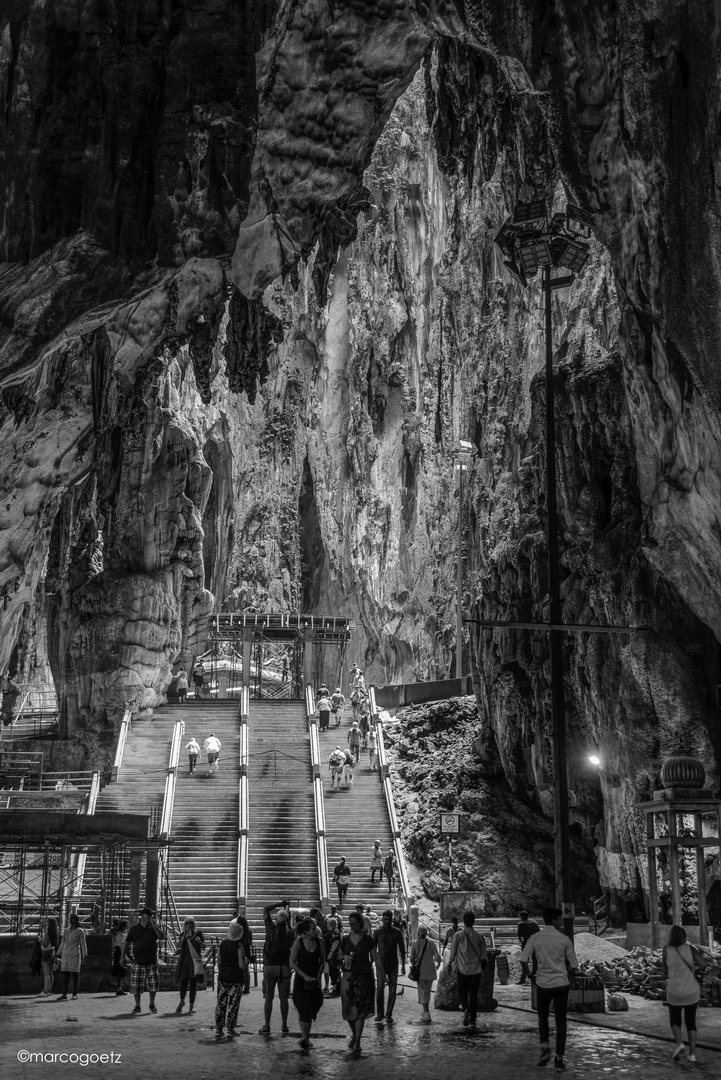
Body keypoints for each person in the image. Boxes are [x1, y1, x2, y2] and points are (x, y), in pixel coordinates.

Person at [520, 906, 578, 1072]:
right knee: (561, 1022)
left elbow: (523, 959)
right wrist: (567, 968)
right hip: (561, 984)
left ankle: (545, 1048)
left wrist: (531, 976)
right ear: (554, 920)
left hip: (543, 984)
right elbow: (574, 965)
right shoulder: (564, 939)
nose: (561, 922)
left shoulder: (535, 938)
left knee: (543, 1018)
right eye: (560, 919)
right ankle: (559, 1059)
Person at [662, 924, 707, 1063]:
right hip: (691, 990)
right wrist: (695, 971)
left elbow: (664, 970)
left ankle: (680, 1044)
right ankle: (692, 1054)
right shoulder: (690, 948)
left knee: (675, 1020)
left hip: (674, 991)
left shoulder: (666, 950)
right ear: (684, 936)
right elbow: (704, 964)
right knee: (691, 1022)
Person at [340, 908, 378, 1053]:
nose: (353, 926)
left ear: (361, 923)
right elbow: (338, 955)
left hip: (363, 977)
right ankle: (355, 1035)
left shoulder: (367, 939)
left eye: (355, 923)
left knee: (360, 1011)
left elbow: (375, 957)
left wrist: (381, 974)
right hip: (348, 977)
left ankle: (357, 1041)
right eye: (350, 924)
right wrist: (344, 958)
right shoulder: (345, 938)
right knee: (348, 1010)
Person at [121, 907, 166, 1014]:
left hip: (151, 961)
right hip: (138, 961)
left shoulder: (154, 928)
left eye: (149, 916)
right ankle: (137, 1005)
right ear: (142, 916)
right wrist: (122, 956)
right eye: (146, 916)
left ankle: (152, 1003)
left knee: (153, 984)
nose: (148, 918)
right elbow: (126, 943)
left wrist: (155, 926)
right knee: (136, 985)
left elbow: (162, 937)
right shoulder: (134, 929)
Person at [260, 900, 295, 1035]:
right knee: (283, 998)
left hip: (270, 966)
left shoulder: (270, 928)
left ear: (276, 919)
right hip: (284, 967)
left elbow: (265, 909)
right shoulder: (290, 932)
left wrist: (280, 903)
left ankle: (267, 1025)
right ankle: (284, 1025)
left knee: (269, 997)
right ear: (287, 920)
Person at [291, 917, 325, 1049]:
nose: (316, 929)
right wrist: (305, 976)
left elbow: (322, 961)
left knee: (313, 1006)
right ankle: (306, 1038)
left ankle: (306, 1037)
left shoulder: (320, 942)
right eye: (313, 928)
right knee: (303, 1008)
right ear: (306, 931)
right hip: (301, 980)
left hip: (314, 980)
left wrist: (317, 976)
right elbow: (292, 962)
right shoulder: (298, 943)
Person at [450, 910, 487, 1029]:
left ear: (464, 921)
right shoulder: (480, 937)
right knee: (474, 994)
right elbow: (484, 956)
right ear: (474, 921)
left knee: (462, 992)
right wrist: (483, 967)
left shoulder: (458, 935)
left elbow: (453, 953)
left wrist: (449, 964)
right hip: (476, 971)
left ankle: (466, 1009)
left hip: (462, 970)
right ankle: (473, 1017)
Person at [373, 908, 406, 1023]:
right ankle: (380, 1013)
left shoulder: (397, 932)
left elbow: (402, 949)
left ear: (392, 920)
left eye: (389, 920)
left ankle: (388, 1014)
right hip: (380, 964)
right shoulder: (377, 932)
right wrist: (372, 962)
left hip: (393, 964)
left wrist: (403, 965)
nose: (387, 922)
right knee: (380, 989)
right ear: (382, 919)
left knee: (393, 990)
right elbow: (373, 950)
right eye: (385, 919)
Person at [215, 921, 245, 1038]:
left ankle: (219, 1028)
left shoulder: (222, 944)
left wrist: (222, 970)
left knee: (221, 1004)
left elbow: (219, 961)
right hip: (235, 979)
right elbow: (241, 965)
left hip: (223, 978)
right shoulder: (239, 947)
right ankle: (230, 1028)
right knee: (233, 1005)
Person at [410, 925, 441, 1022]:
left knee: (423, 992)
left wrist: (414, 964)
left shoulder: (415, 943)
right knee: (427, 991)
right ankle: (425, 1011)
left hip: (421, 972)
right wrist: (438, 964)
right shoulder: (431, 942)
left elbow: (411, 959)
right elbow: (437, 956)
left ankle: (426, 1012)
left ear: (419, 933)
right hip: (430, 970)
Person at [175, 917, 205, 1014]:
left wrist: (199, 941)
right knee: (183, 982)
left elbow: (204, 947)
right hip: (185, 960)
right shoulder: (183, 934)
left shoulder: (198, 933)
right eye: (187, 923)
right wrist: (184, 936)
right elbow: (179, 946)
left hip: (195, 961)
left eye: (191, 923)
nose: (189, 925)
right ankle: (182, 1001)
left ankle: (191, 1006)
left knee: (193, 984)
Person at [54, 913, 87, 1001]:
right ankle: (64, 993)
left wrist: (84, 955)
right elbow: (62, 942)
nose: (70, 920)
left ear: (76, 920)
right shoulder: (66, 930)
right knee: (66, 975)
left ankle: (75, 993)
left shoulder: (80, 930)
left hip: (75, 953)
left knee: (75, 974)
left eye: (72, 919)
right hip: (66, 953)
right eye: (70, 918)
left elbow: (83, 943)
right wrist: (58, 953)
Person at [36, 916, 59, 996]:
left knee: (46, 973)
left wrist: (39, 940)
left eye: (47, 923)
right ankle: (49, 990)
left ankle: (45, 991)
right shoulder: (55, 933)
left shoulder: (48, 934)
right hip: (51, 952)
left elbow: (45, 944)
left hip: (45, 953)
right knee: (50, 973)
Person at [517, 909, 541, 984]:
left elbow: (519, 936)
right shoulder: (534, 923)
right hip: (535, 943)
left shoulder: (521, 924)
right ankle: (535, 976)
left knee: (524, 961)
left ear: (522, 916)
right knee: (535, 961)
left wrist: (522, 943)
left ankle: (523, 978)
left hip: (526, 944)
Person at [324, 916, 342, 994]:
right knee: (333, 971)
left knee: (335, 972)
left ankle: (336, 989)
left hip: (335, 956)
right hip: (332, 956)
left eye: (328, 924)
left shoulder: (336, 932)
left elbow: (336, 942)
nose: (327, 925)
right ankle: (335, 987)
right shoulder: (332, 932)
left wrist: (331, 952)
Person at [110, 918, 128, 996]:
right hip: (120, 953)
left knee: (120, 972)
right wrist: (124, 956)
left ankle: (119, 988)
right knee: (120, 972)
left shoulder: (119, 934)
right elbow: (122, 946)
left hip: (118, 953)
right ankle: (118, 988)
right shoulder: (122, 935)